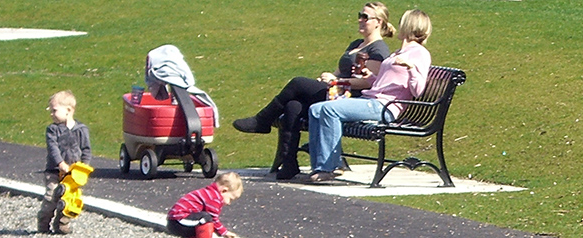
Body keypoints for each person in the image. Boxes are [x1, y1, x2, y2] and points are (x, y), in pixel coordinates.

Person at [232, 2, 396, 180]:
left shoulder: (378, 49)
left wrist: (335, 81)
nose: (360, 20)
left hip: (348, 97)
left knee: (298, 83)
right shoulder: (356, 44)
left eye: (365, 17)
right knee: (293, 106)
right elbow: (340, 71)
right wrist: (329, 77)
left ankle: (262, 120)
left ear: (378, 22)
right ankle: (289, 163)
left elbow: (367, 82)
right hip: (336, 89)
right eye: (360, 15)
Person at [307, 9, 432, 182]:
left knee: (329, 110)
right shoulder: (399, 52)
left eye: (402, 22)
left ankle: (330, 167)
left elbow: (418, 90)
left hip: (385, 107)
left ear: (409, 25)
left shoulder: (419, 53)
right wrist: (370, 76)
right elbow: (384, 81)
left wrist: (410, 67)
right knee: (315, 109)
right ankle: (319, 166)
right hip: (371, 100)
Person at [37, 90, 92, 234]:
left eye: (54, 110)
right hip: (54, 172)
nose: (51, 114)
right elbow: (53, 148)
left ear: (68, 110)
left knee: (69, 200)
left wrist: (84, 167)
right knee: (51, 198)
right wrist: (60, 163)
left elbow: (86, 149)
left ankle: (61, 224)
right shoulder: (52, 130)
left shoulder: (81, 130)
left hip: (73, 174)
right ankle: (43, 223)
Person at [167, 172, 243, 238]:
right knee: (206, 218)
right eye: (231, 199)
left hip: (177, 221)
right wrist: (224, 232)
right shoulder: (214, 198)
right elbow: (213, 218)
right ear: (224, 190)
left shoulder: (209, 193)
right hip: (178, 222)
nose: (229, 203)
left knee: (204, 219)